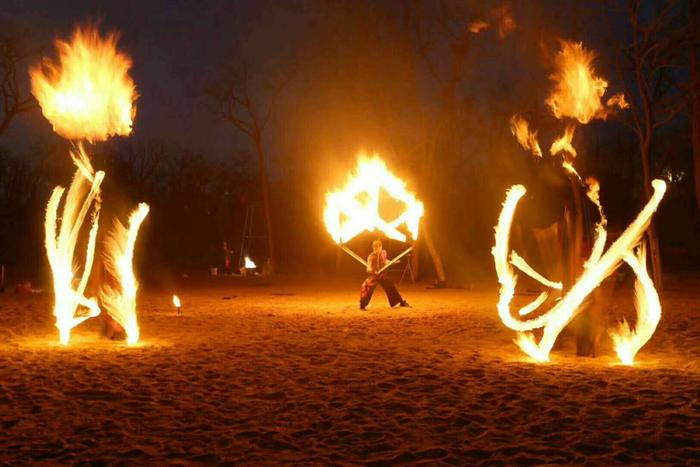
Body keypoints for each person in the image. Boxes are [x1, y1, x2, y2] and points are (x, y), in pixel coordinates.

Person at [360, 239, 410, 310]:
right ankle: (362, 305)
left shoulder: (383, 253)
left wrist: (392, 262)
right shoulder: (370, 256)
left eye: (377, 247)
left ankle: (401, 302)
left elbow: (385, 261)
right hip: (374, 275)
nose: (376, 249)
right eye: (374, 248)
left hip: (381, 274)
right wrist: (372, 271)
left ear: (381, 247)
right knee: (366, 286)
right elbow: (368, 268)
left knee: (390, 286)